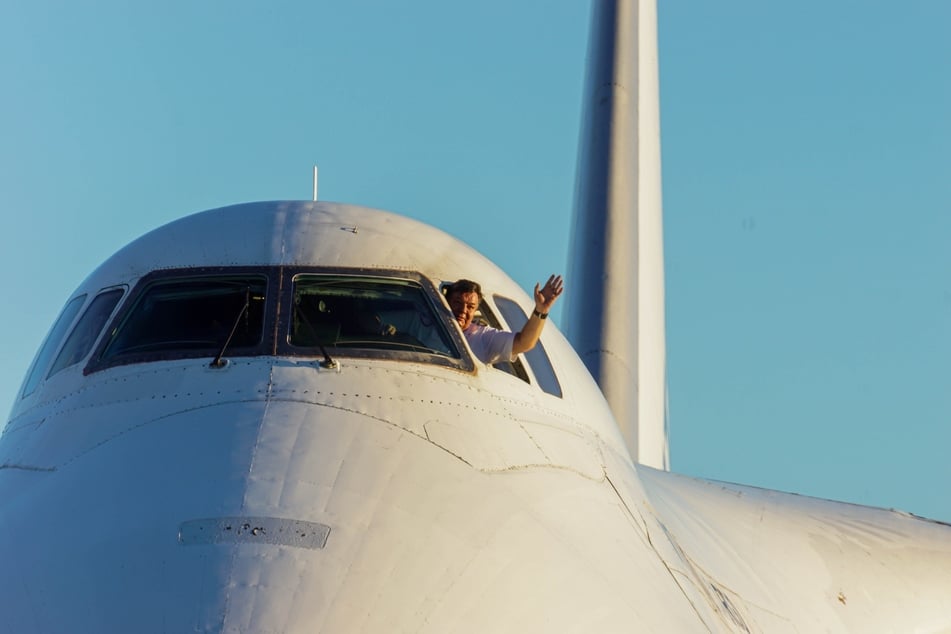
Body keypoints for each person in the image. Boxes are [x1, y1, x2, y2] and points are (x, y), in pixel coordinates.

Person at [446, 275, 564, 365]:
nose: (463, 310)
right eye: (457, 303)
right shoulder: (428, 324)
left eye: (470, 307)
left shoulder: (482, 337)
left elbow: (523, 343)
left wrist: (541, 311)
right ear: (447, 301)